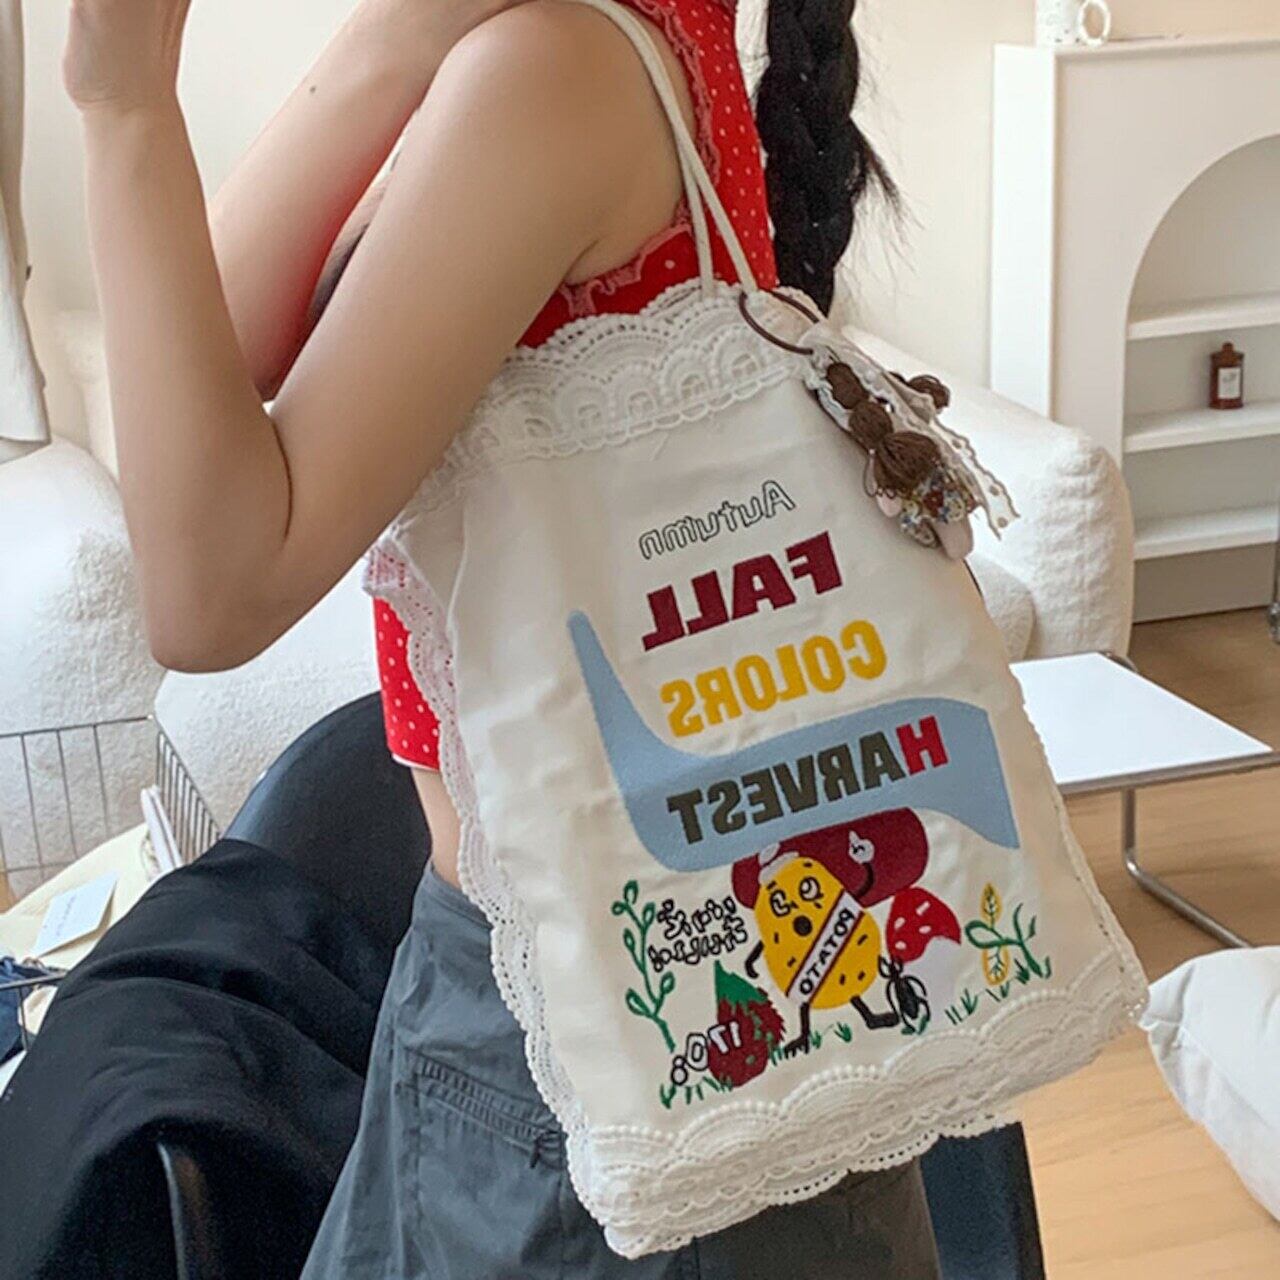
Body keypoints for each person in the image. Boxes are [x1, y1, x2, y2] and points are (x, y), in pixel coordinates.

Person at [64, 0, 939, 1274]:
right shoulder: (550, 43)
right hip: (589, 983)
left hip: (580, 1047)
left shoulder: (552, 75)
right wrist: (381, 45)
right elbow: (213, 363)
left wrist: (122, 104)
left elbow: (207, 591)